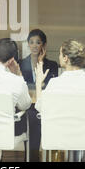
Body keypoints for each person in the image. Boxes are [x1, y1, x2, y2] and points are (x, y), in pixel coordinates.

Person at [34, 39, 85, 117]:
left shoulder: (55, 83)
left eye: (60, 54)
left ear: (65, 58)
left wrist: (38, 83)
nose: (59, 57)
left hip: (61, 128)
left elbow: (40, 107)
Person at [18, 29, 58, 162]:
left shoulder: (52, 65)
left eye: (38, 42)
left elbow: (50, 86)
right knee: (31, 116)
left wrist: (40, 62)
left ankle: (32, 157)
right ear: (28, 44)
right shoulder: (21, 64)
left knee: (35, 117)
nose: (34, 45)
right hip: (28, 104)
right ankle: (31, 157)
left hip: (45, 106)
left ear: (43, 45)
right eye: (31, 42)